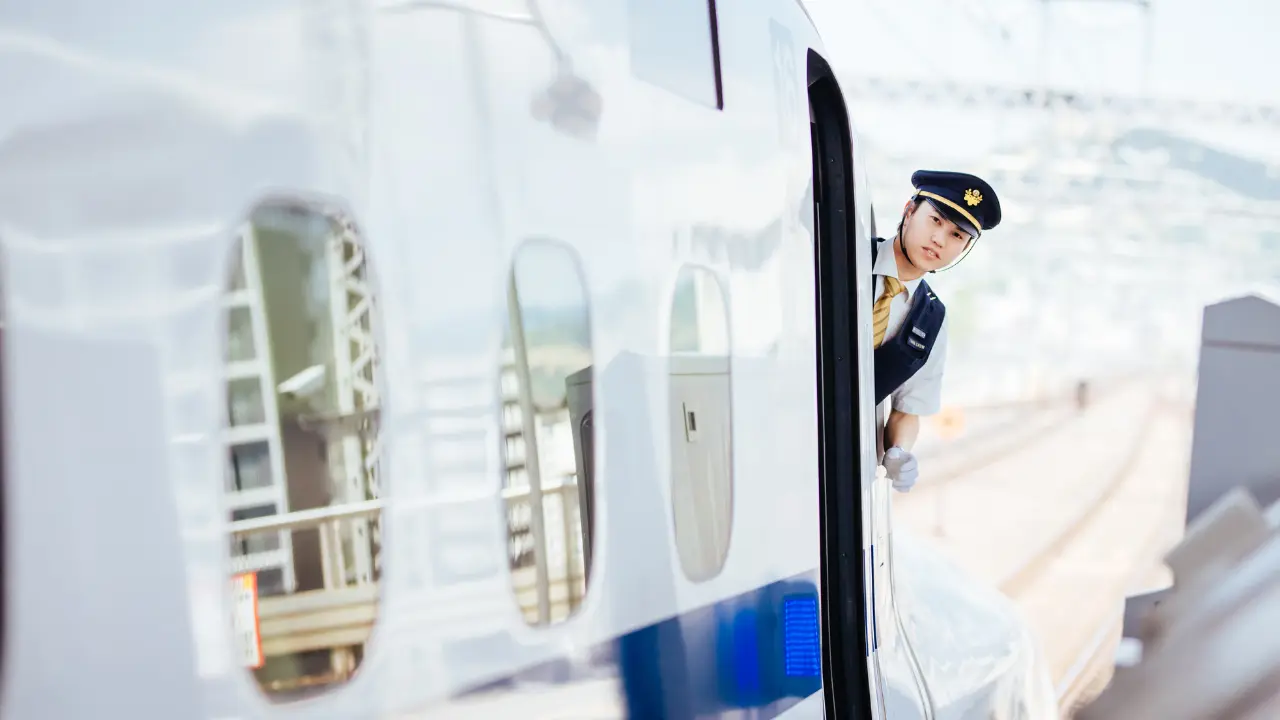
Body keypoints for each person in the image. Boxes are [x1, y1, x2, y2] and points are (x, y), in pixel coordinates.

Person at [874, 170, 1001, 492]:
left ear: (965, 247)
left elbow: (906, 410)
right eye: (935, 220)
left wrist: (898, 452)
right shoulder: (843, 256)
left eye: (957, 235)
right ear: (909, 211)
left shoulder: (931, 320)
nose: (939, 240)